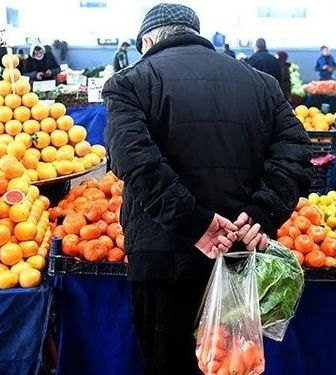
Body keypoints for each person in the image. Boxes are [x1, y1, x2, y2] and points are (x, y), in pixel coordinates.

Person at [102, 3, 312, 374]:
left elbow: (133, 160)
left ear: (148, 39)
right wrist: (262, 214)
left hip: (163, 259)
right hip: (239, 258)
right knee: (231, 364)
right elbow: (295, 152)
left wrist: (194, 222)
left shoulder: (130, 82)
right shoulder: (261, 83)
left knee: (167, 362)